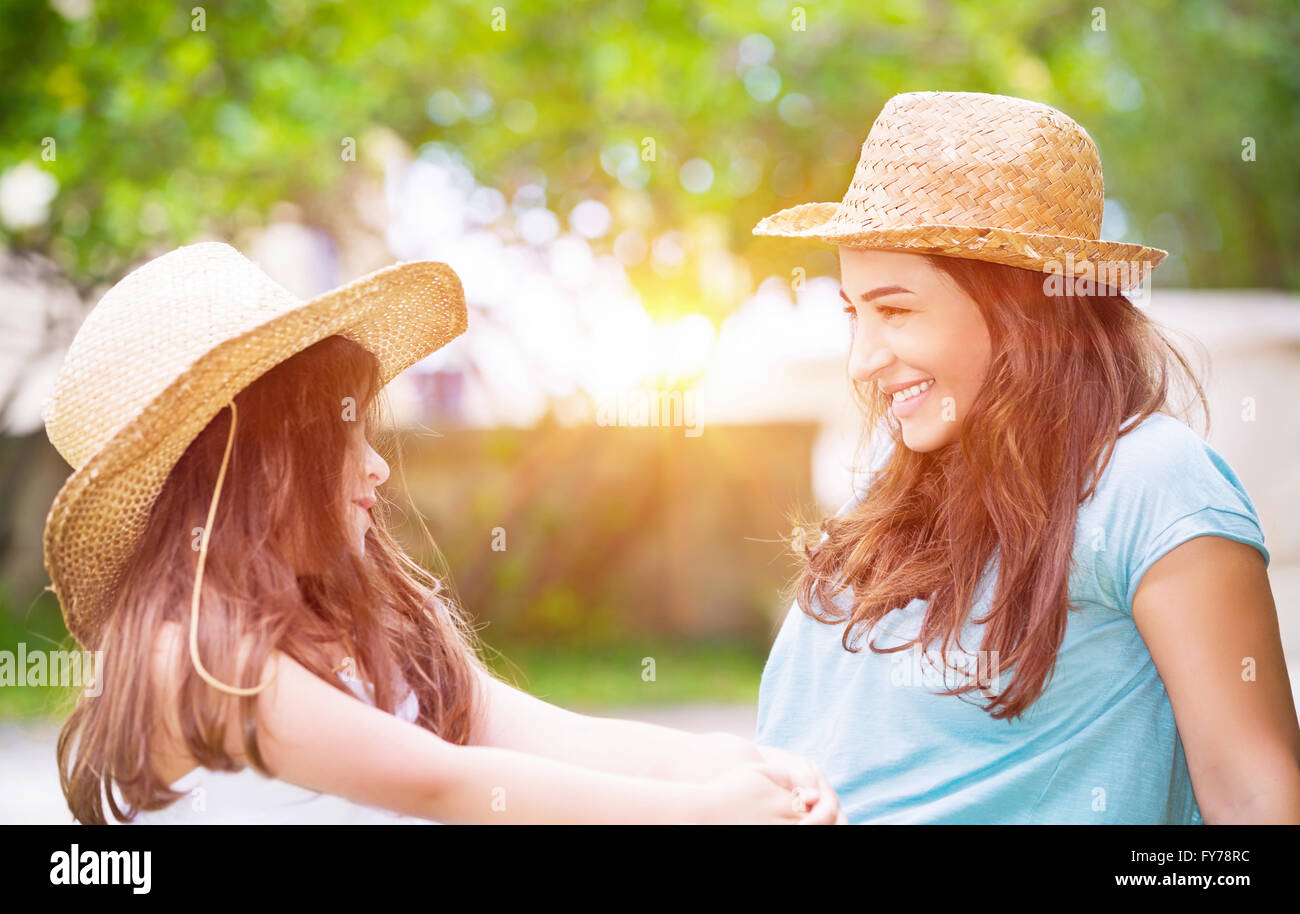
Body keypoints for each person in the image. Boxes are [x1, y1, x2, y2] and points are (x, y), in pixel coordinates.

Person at [44, 241, 844, 824]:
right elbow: (445, 785)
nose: (378, 470)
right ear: (254, 463)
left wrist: (743, 767)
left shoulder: (361, 632)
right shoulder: (188, 658)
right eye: (342, 437)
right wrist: (699, 815)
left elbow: (549, 737)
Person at [750, 90, 1300, 823]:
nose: (862, 361)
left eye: (896, 310)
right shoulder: (888, 486)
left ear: (1022, 309)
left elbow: (1255, 800)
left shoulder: (1152, 483)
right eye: (855, 313)